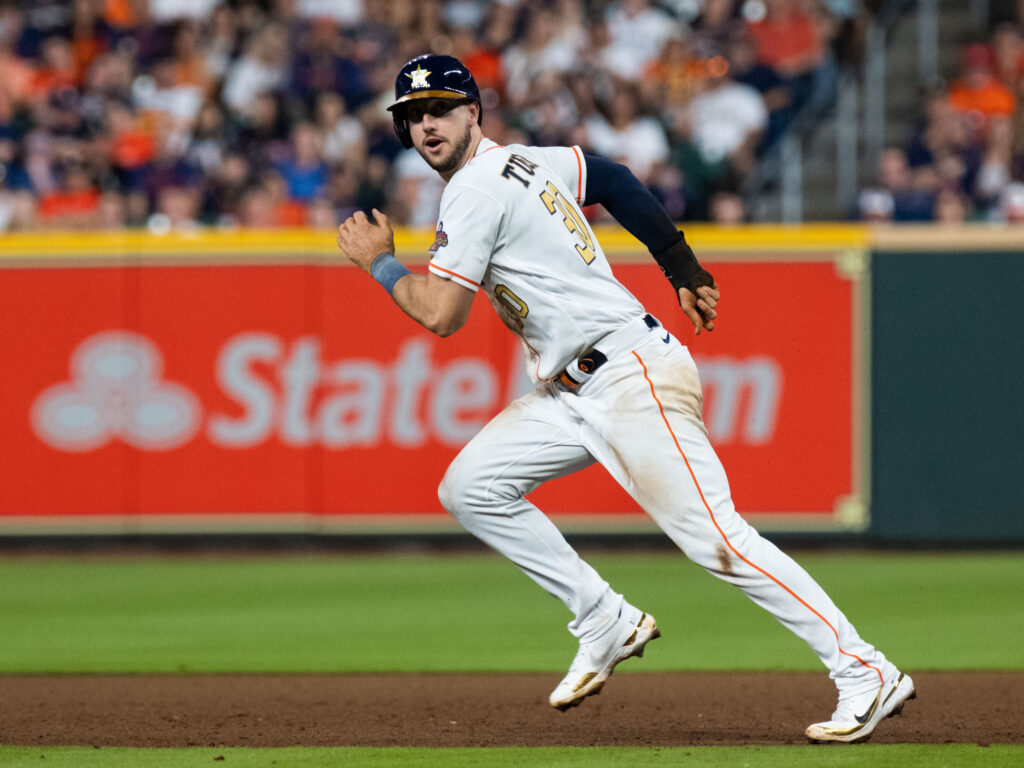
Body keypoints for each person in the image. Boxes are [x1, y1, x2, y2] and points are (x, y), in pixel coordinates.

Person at [336, 54, 915, 744]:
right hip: (572, 390)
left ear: (474, 111)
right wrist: (680, 263)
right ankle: (603, 619)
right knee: (472, 486)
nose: (427, 125)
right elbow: (609, 177)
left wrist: (380, 262)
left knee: (719, 542)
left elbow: (441, 315)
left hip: (628, 376)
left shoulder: (474, 187)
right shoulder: (524, 161)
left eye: (440, 108)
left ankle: (863, 668)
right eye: (413, 116)